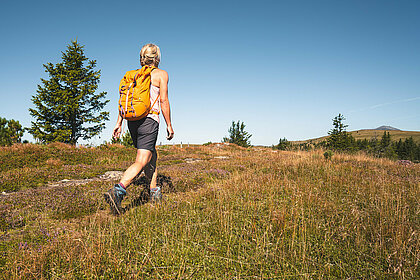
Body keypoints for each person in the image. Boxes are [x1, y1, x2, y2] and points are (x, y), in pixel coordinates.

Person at [104, 43, 174, 215]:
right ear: (157, 57)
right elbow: (164, 101)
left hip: (132, 121)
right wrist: (169, 124)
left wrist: (119, 122)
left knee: (152, 154)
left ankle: (154, 192)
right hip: (149, 120)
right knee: (142, 160)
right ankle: (118, 191)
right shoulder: (161, 75)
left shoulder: (133, 75)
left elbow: (124, 100)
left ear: (142, 57)